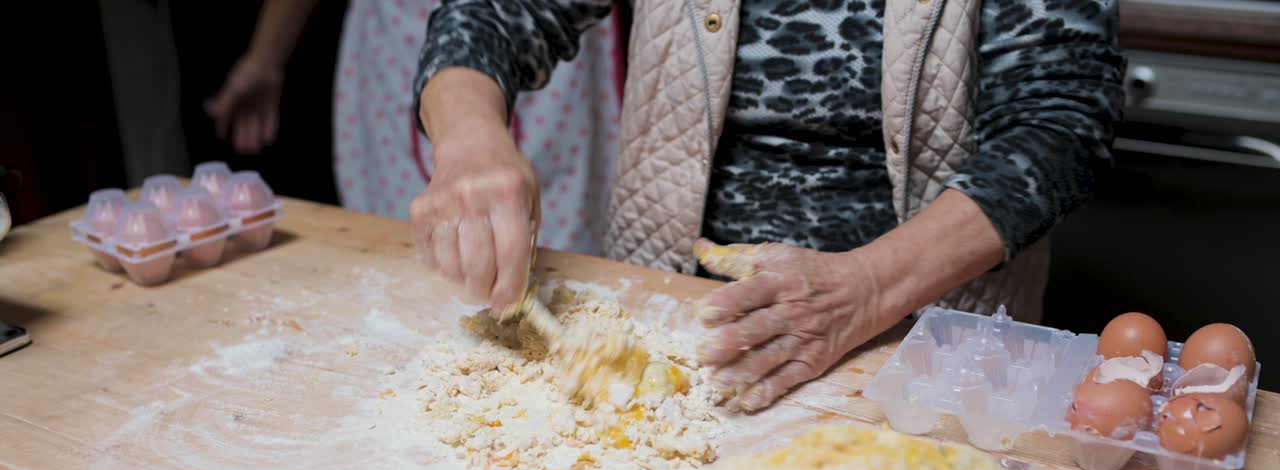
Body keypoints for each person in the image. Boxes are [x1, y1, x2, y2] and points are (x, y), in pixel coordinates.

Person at [409, 0, 1126, 412]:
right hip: (671, 318)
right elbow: (492, 15)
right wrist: (471, 139)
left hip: (928, 335)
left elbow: (1063, 122)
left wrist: (869, 287)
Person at [206, 0, 625, 252]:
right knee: (406, 249)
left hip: (562, 74)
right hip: (400, 45)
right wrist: (265, 57)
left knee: (558, 250)